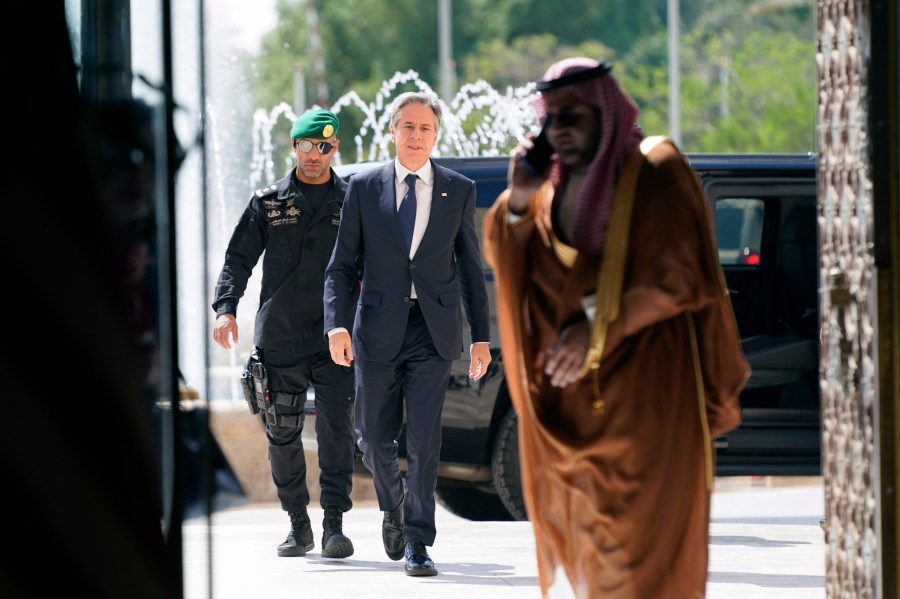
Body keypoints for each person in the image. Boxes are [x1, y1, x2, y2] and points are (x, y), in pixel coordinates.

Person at [482, 57, 751, 598]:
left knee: (650, 560)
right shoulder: (549, 190)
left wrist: (592, 326)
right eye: (550, 118)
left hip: (652, 400)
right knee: (601, 569)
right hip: (581, 407)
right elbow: (511, 258)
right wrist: (516, 199)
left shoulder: (654, 169)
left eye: (572, 115)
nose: (558, 128)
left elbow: (679, 277)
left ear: (605, 112)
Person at [323, 91, 492, 577]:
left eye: (425, 128)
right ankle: (392, 506)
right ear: (392, 131)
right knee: (373, 438)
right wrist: (336, 323)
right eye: (407, 127)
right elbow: (340, 267)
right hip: (375, 327)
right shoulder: (363, 187)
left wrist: (480, 337)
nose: (416, 136)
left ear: (436, 135)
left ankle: (418, 540)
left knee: (424, 438)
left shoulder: (457, 189)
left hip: (432, 330)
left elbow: (470, 267)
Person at [212, 109, 358, 559]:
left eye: (326, 147)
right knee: (282, 432)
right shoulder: (268, 202)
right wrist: (225, 309)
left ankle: (334, 523)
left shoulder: (352, 199)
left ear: (336, 150)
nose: (316, 155)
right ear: (294, 147)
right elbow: (238, 259)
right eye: (308, 146)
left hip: (335, 335)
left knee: (336, 430)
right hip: (280, 336)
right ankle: (299, 523)